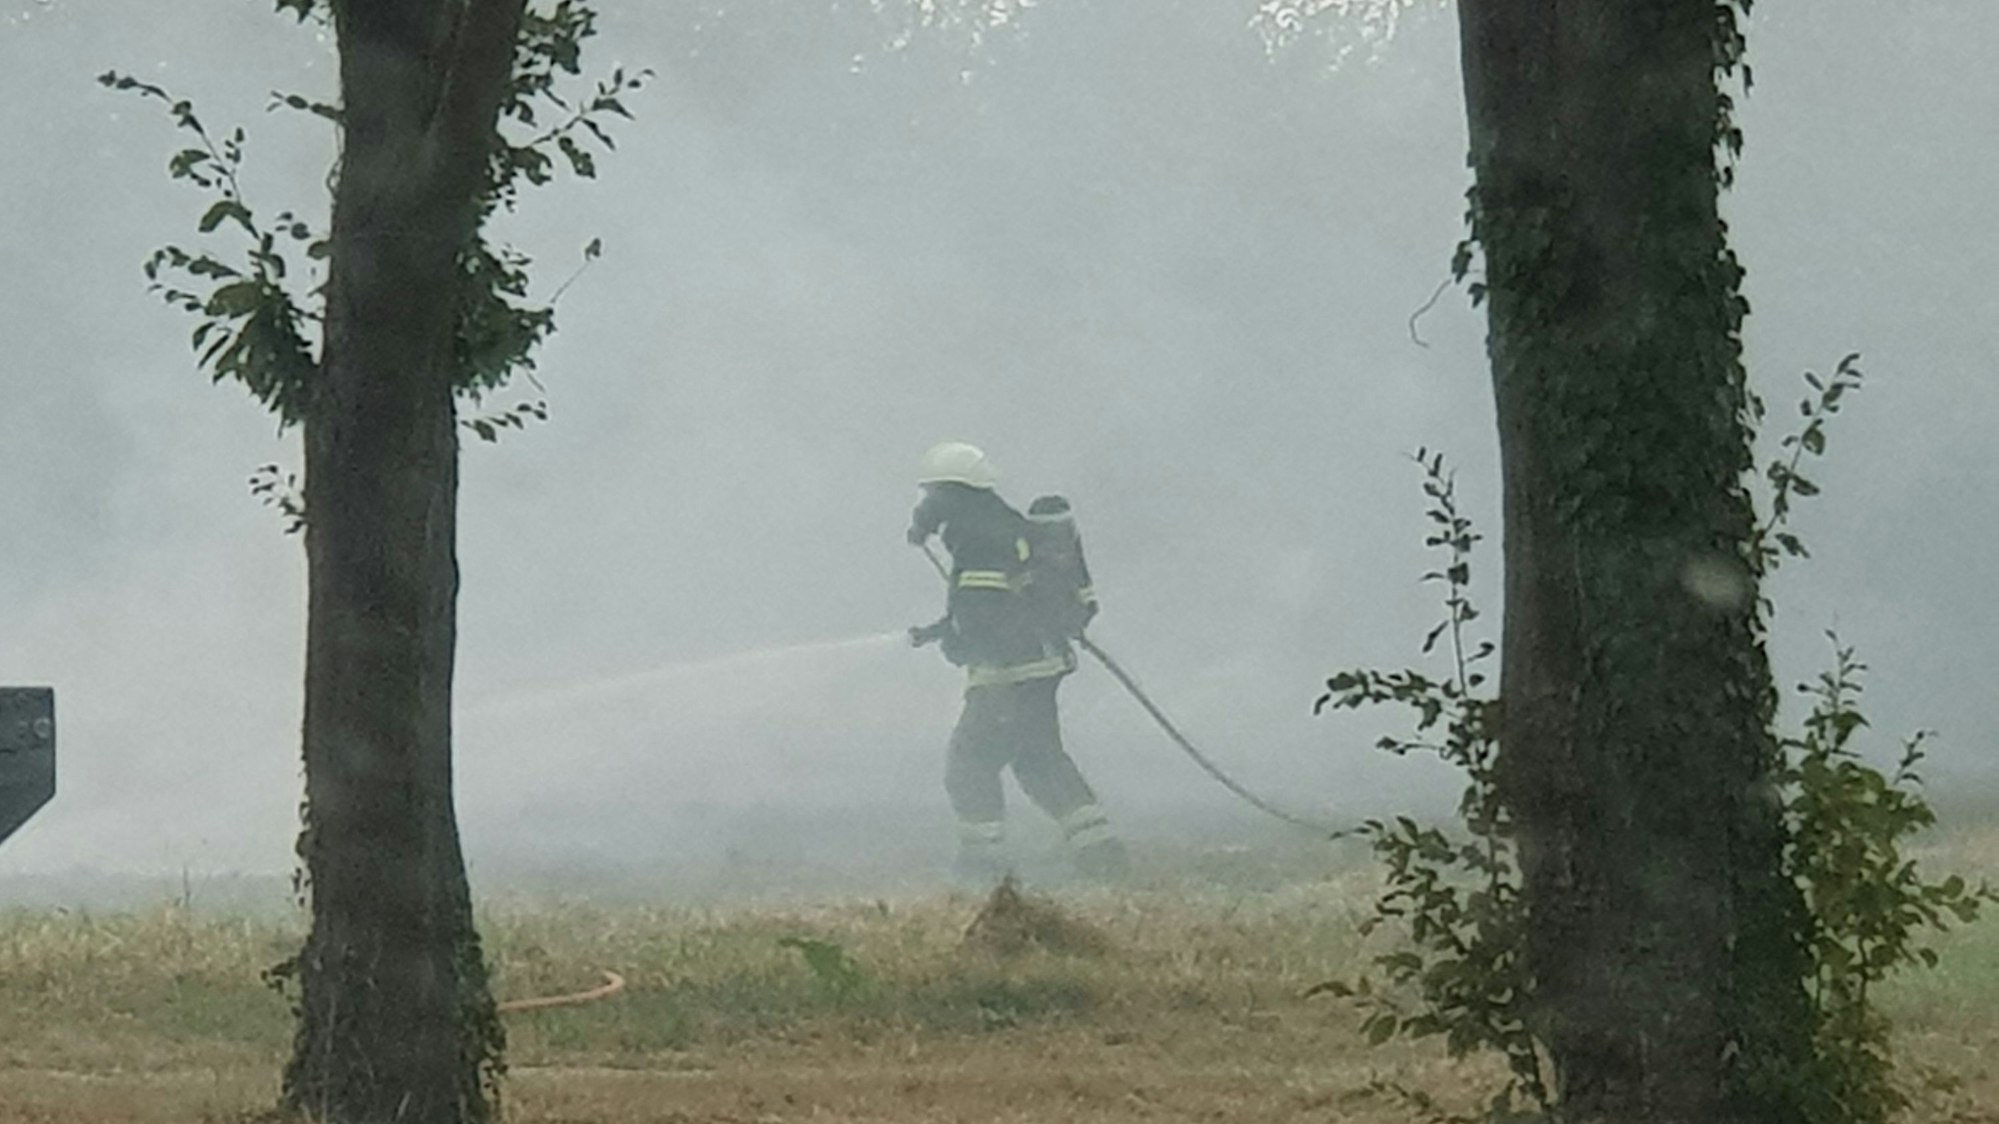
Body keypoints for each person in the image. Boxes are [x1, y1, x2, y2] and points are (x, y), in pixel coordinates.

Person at [906, 442, 1129, 884]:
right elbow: (995, 602)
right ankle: (1101, 853)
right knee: (1040, 760)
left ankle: (981, 864)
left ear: (955, 494)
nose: (925, 504)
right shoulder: (997, 527)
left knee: (968, 764)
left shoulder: (979, 537)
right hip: (1038, 666)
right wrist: (942, 629)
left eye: (932, 493)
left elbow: (983, 613)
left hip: (1007, 676)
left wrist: (957, 641)